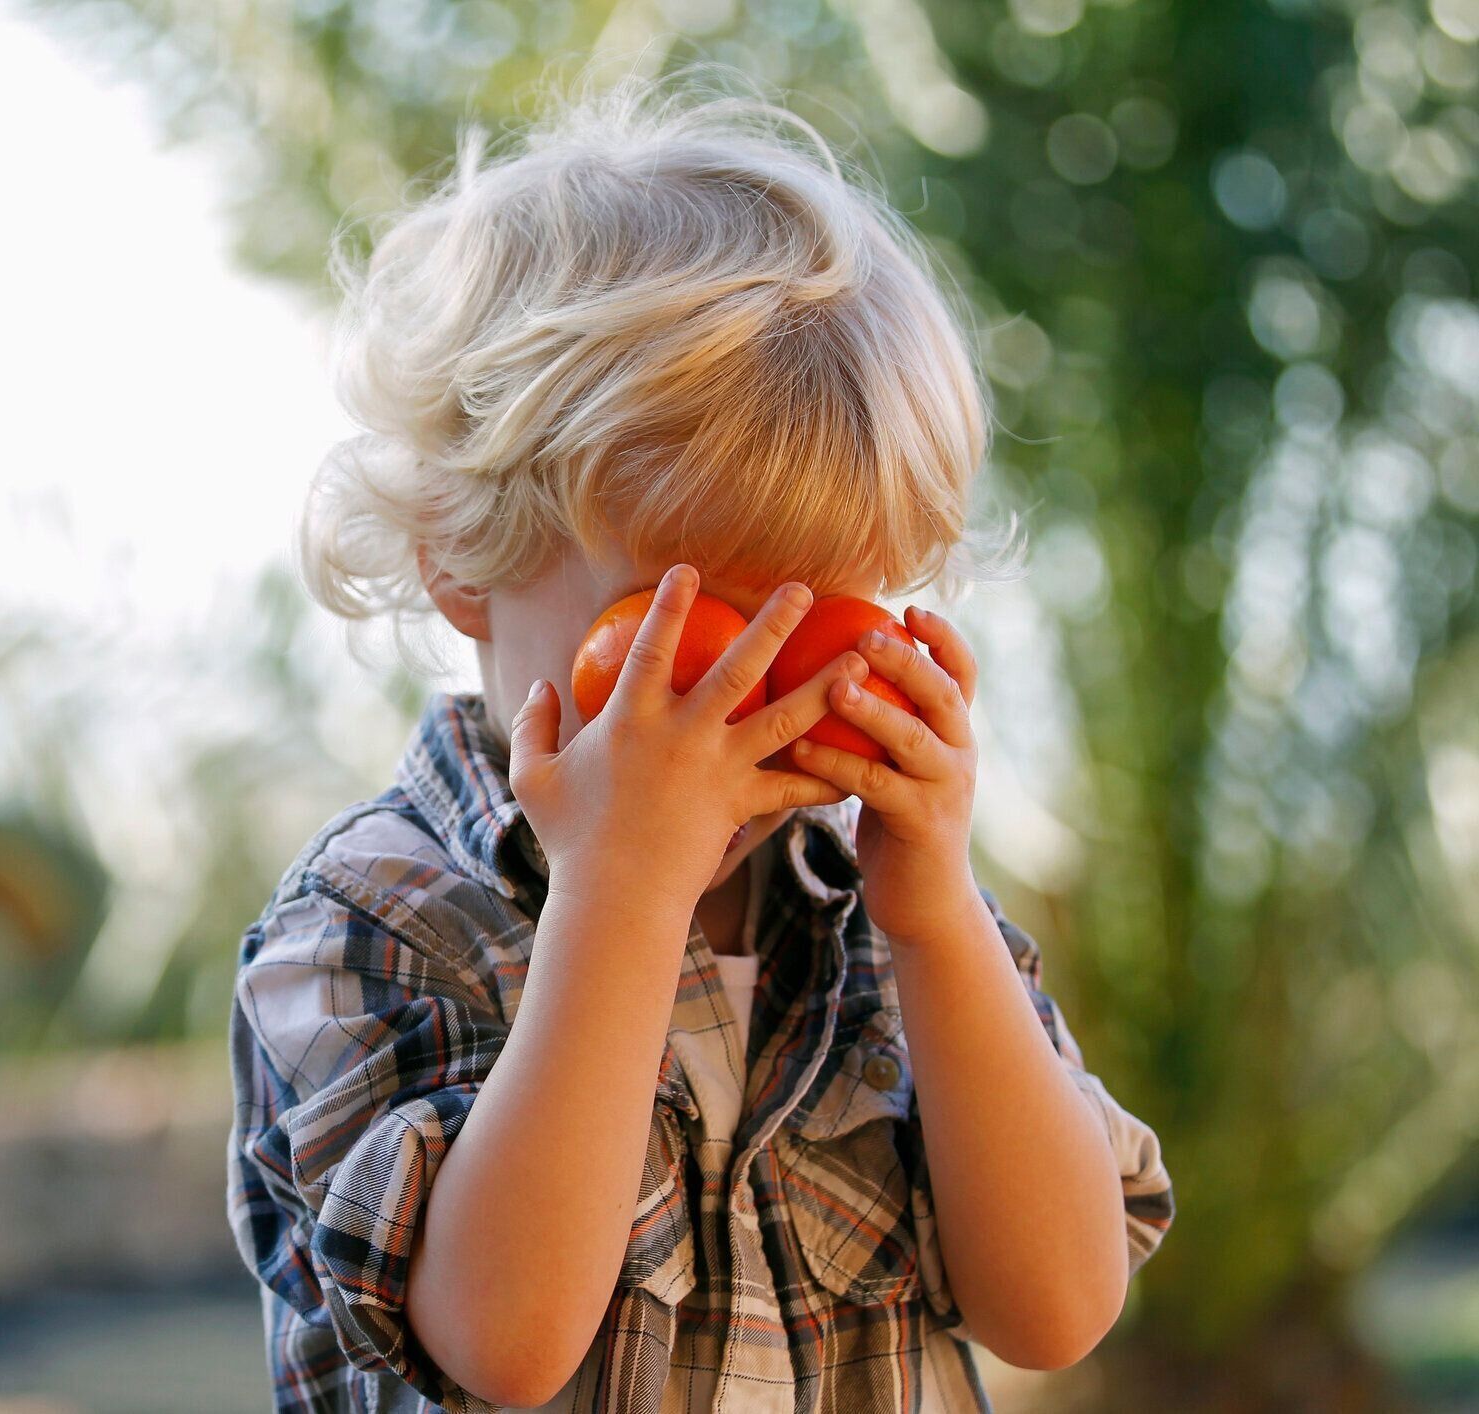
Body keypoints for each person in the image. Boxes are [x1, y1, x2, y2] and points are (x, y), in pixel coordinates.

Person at [225, 64, 1173, 1413]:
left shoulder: (887, 929)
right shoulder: (373, 923)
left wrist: (941, 926)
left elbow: (1057, 1306)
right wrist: (621, 890)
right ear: (458, 553)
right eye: (687, 638)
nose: (748, 710)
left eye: (814, 634)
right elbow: (498, 1338)